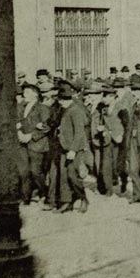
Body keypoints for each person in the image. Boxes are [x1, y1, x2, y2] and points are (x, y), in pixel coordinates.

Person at [56, 83, 91, 213]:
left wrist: (73, 150)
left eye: (64, 99)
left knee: (72, 175)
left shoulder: (75, 110)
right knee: (64, 176)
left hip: (73, 149)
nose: (61, 102)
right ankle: (67, 202)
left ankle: (83, 198)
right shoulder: (65, 110)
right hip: (64, 148)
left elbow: (79, 132)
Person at [17, 83, 51, 204]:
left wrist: (30, 135)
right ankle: (26, 197)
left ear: (35, 95)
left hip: (37, 145)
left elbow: (46, 127)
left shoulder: (43, 108)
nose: (23, 95)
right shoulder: (22, 107)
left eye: (26, 93)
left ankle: (45, 193)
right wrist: (20, 133)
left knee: (35, 172)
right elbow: (20, 122)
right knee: (23, 171)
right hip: (23, 143)